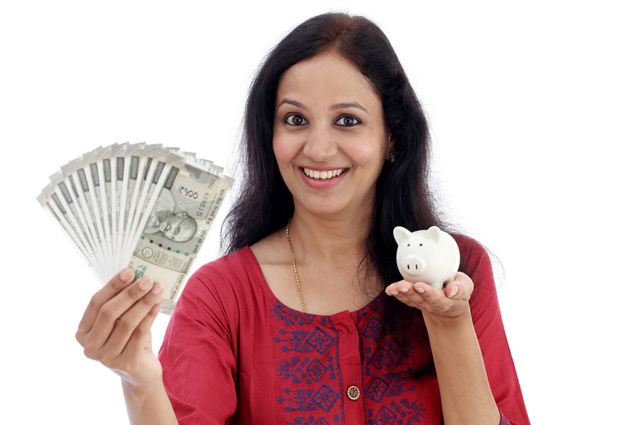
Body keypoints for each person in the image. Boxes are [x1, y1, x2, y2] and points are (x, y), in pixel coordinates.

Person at [75, 12, 531, 425]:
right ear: (269, 133)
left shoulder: (459, 272)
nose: (317, 149)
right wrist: (138, 381)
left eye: (347, 121)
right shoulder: (221, 297)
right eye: (295, 119)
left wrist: (449, 324)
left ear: (393, 136)